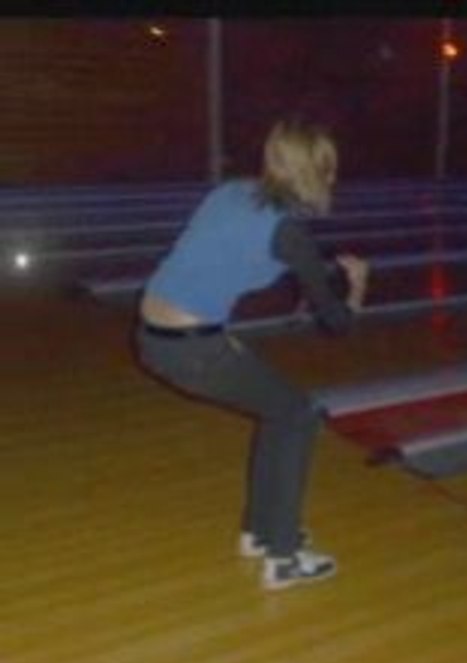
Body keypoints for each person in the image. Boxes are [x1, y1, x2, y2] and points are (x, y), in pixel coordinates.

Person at [135, 118, 369, 591]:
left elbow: (204, 264)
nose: (335, 179)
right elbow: (337, 324)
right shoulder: (290, 235)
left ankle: (260, 535)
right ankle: (282, 558)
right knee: (299, 415)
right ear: (314, 171)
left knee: (280, 411)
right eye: (330, 169)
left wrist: (218, 334)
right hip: (192, 348)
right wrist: (359, 286)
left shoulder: (229, 193)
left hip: (153, 335)